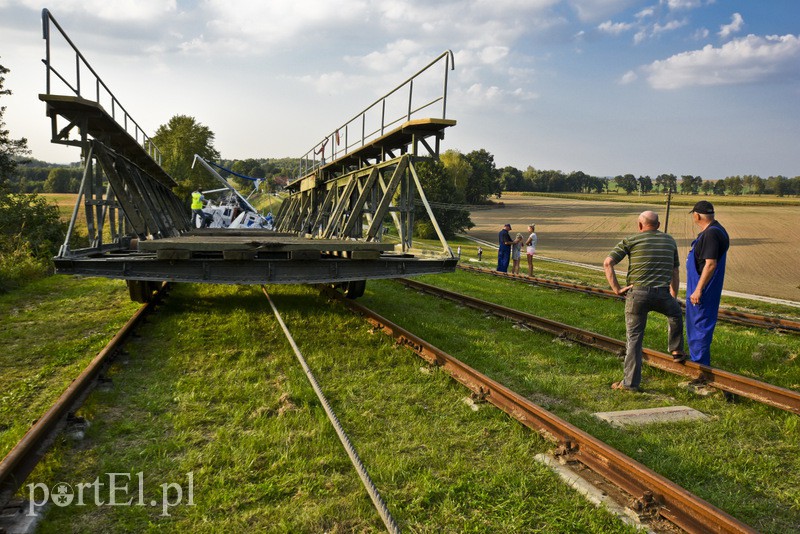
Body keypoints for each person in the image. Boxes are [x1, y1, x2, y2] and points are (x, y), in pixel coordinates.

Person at [603, 211, 685, 392]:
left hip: (637, 294)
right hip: (662, 293)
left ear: (640, 225)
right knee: (675, 313)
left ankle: (630, 384)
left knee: (634, 340)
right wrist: (673, 294)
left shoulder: (631, 240)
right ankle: (676, 349)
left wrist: (616, 289)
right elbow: (675, 271)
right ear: (658, 224)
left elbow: (608, 263)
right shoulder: (670, 241)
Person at [686, 200, 730, 367]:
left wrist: (698, 289)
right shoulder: (717, 230)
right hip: (704, 286)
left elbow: (710, 264)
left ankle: (700, 367)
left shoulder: (711, 234)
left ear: (697, 215)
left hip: (703, 288)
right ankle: (699, 362)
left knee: (699, 326)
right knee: (699, 325)